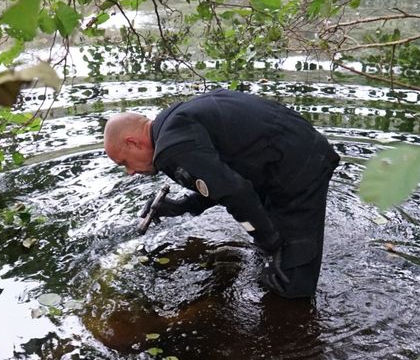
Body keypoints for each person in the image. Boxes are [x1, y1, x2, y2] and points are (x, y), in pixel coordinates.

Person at [104, 89, 339, 299]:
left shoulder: (171, 148)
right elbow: (222, 180)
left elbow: (236, 193)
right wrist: (182, 205)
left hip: (299, 167)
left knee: (289, 284)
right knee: (268, 253)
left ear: (133, 142)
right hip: (281, 159)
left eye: (125, 162)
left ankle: (298, 340)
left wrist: (272, 242)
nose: (130, 172)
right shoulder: (173, 122)